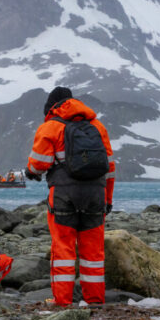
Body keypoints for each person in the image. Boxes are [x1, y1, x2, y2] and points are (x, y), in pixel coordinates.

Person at [25, 87, 115, 306]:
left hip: (64, 193)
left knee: (63, 249)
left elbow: (39, 164)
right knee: (93, 253)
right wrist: (108, 199)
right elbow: (110, 168)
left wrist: (31, 172)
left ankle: (62, 302)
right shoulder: (97, 126)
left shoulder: (51, 126)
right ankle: (94, 301)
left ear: (51, 107)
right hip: (96, 194)